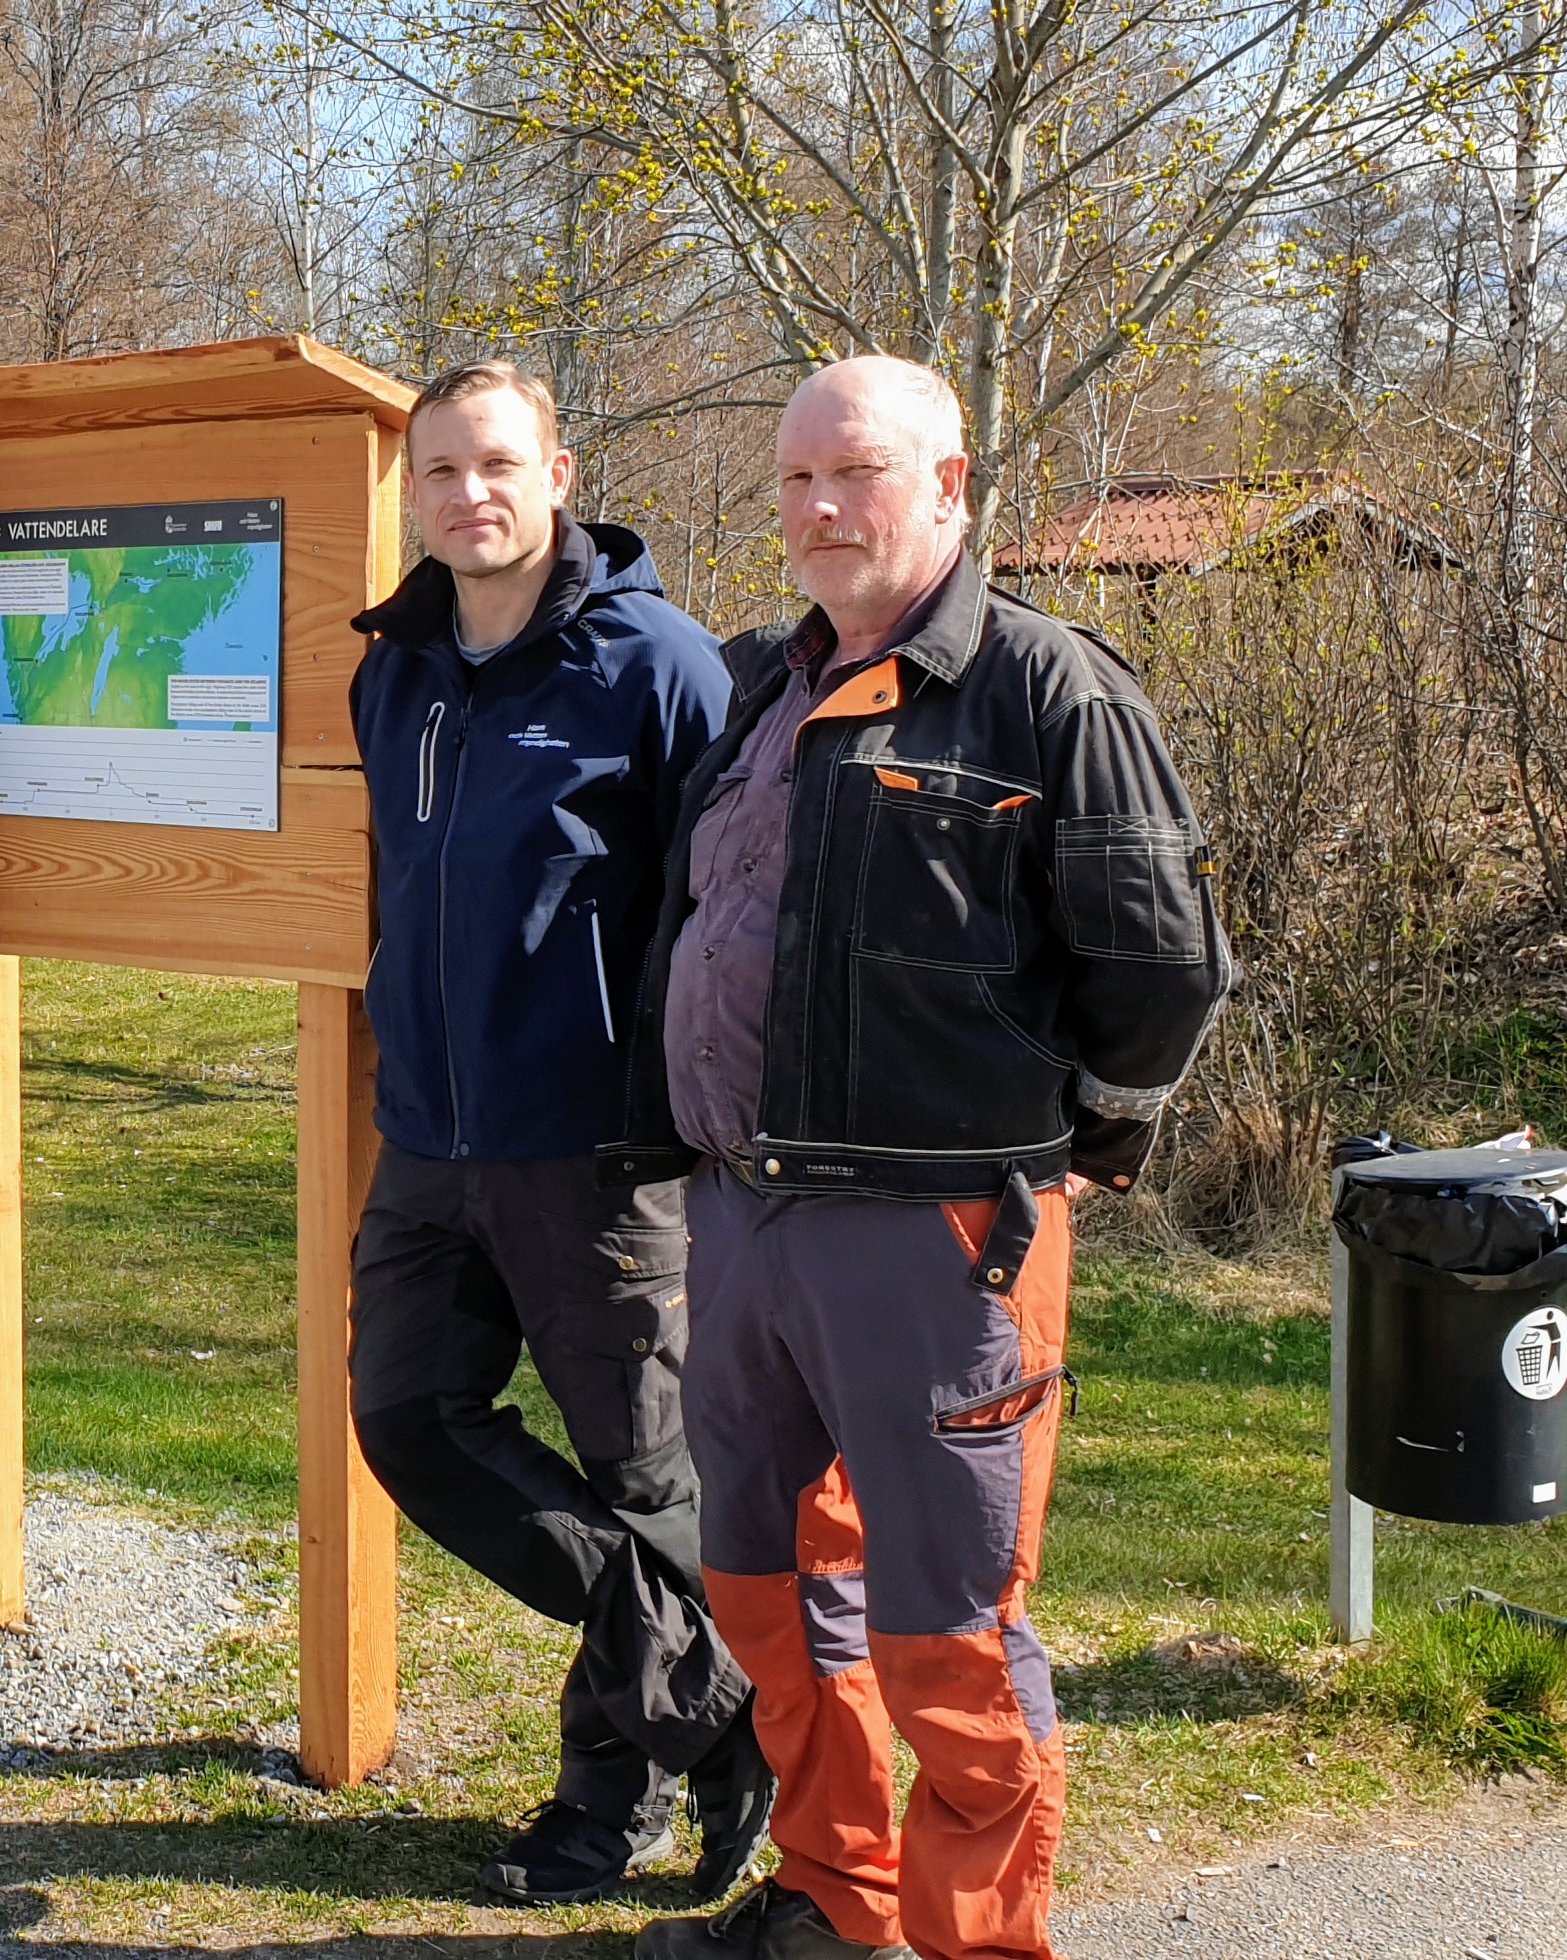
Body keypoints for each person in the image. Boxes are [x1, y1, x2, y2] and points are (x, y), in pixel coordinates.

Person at [627, 358, 1232, 1960]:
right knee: (763, 1585)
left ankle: (979, 1943)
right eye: (799, 480)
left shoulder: (1050, 689)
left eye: (862, 473)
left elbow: (1161, 965)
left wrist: (1095, 1129)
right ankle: (839, 1895)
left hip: (937, 1236)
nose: (823, 508)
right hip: (744, 1215)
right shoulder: (764, 682)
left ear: (950, 487)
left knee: (947, 1627)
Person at [343, 359, 773, 1908]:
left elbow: (724, 905)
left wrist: (689, 1105)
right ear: (412, 491)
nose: (471, 493)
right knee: (406, 1422)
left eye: (498, 463)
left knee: (648, 1479)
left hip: (596, 1150)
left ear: (561, 471)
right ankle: (723, 1715)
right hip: (431, 1138)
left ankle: (607, 1810)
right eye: (442, 469)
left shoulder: (653, 665)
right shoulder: (392, 668)